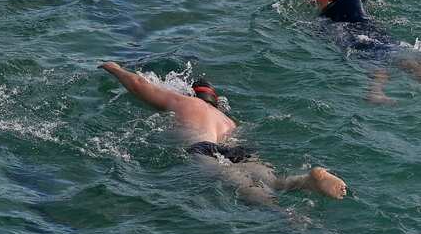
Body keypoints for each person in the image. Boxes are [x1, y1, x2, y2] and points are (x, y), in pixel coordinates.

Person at [98, 62, 346, 205]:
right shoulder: (228, 121)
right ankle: (305, 180)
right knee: (274, 181)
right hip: (237, 150)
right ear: (216, 101)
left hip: (202, 147)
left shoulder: (186, 103)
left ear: (192, 94)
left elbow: (139, 85)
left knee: (238, 183)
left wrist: (115, 69)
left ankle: (283, 215)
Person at [312, 0, 421, 103]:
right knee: (412, 64)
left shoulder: (321, 20)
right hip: (375, 37)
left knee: (377, 66)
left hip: (353, 44)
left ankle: (375, 91)